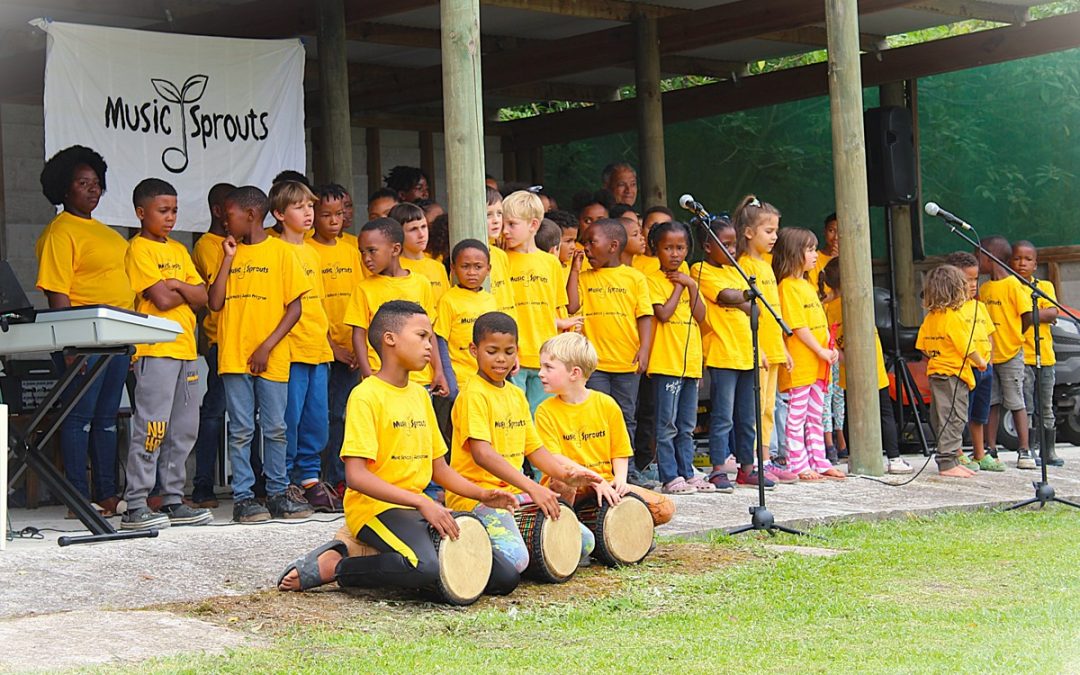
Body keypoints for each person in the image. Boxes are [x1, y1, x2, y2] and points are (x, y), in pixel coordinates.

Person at [276, 301, 522, 596]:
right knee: (424, 567)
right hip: (375, 509)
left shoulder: (420, 395)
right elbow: (356, 476)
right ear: (390, 339)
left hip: (419, 508)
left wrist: (482, 495)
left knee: (503, 577)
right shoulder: (366, 395)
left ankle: (364, 552)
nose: (430, 346)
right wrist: (421, 503)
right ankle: (339, 566)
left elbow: (439, 469)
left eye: (431, 338)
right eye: (422, 336)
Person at [448, 312, 603, 572]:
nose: (501, 359)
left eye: (509, 352)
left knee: (583, 544)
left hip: (515, 496)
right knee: (515, 561)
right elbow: (482, 454)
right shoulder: (472, 395)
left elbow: (534, 449)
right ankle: (466, 535)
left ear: (517, 352)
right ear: (474, 350)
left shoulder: (516, 396)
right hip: (478, 497)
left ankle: (520, 543)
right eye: (492, 351)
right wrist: (533, 488)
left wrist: (565, 474)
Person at [35, 145, 131, 516]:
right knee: (80, 419)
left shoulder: (104, 231)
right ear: (64, 188)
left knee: (106, 421)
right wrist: (70, 344)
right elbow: (57, 290)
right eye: (82, 183)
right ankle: (78, 498)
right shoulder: (60, 232)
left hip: (116, 341)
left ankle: (106, 495)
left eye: (96, 183)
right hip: (82, 342)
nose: (92, 190)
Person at [208, 186, 314, 522]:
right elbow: (214, 302)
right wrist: (227, 258)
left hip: (272, 356)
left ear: (251, 215)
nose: (226, 222)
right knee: (240, 429)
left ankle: (278, 493)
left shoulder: (282, 253)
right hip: (234, 356)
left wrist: (266, 346)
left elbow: (294, 309)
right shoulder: (227, 251)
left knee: (275, 428)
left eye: (231, 216)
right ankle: (243, 498)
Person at [119, 178, 211, 530]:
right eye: (163, 211)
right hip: (155, 351)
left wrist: (177, 286)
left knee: (184, 428)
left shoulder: (177, 250)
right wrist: (179, 289)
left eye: (174, 210)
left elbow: (202, 297)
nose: (170, 217)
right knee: (152, 427)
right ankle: (136, 503)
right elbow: (161, 299)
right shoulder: (139, 249)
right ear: (142, 213)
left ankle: (173, 498)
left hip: (185, 349)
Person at [536, 332, 674, 525]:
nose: (540, 373)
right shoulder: (545, 411)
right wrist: (594, 480)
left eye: (548, 367)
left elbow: (620, 451)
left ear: (574, 373)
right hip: (573, 484)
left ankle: (600, 528)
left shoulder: (606, 404)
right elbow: (555, 458)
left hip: (605, 482)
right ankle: (564, 531)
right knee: (563, 482)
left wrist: (620, 480)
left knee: (664, 508)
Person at [692, 217, 782, 492]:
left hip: (748, 354)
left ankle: (747, 468)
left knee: (748, 415)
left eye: (734, 245)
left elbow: (755, 310)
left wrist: (745, 299)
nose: (732, 251)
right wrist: (746, 296)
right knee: (723, 416)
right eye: (725, 245)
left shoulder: (738, 271)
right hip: (723, 354)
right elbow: (725, 296)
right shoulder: (701, 269)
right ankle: (718, 468)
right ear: (708, 246)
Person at [270, 180, 339, 511]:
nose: (308, 213)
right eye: (299, 207)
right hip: (291, 350)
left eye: (310, 206)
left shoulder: (311, 251)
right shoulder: (275, 250)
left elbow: (319, 305)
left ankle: (310, 479)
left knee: (316, 419)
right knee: (289, 419)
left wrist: (328, 343)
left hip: (317, 349)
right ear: (279, 214)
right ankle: (283, 482)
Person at [566, 218, 653, 456]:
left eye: (592, 243)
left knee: (626, 414)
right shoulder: (584, 277)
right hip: (594, 364)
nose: (586, 249)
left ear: (613, 246)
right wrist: (574, 270)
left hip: (627, 361)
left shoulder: (635, 278)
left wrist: (644, 349)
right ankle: (600, 466)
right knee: (596, 414)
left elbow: (645, 316)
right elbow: (572, 306)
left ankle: (627, 468)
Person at [820, 258, 912, 474]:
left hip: (848, 368)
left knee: (852, 413)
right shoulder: (858, 301)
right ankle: (894, 458)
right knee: (884, 412)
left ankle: (854, 456)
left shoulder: (827, 308)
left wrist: (844, 359)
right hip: (871, 365)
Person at [645, 220, 714, 495]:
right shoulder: (651, 279)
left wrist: (691, 287)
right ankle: (669, 476)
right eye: (668, 248)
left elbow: (700, 316)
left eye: (681, 248)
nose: (675, 254)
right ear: (656, 249)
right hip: (666, 363)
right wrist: (679, 287)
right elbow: (663, 313)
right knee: (667, 424)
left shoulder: (687, 277)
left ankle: (687, 472)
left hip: (690, 364)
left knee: (687, 424)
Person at [344, 218, 448, 395]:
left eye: (372, 251)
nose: (366, 258)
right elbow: (358, 335)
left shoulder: (421, 283)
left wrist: (438, 371)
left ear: (395, 249)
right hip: (380, 378)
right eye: (362, 252)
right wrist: (367, 373)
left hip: (419, 379)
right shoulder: (363, 288)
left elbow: (428, 332)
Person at [774, 227, 845, 481]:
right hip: (803, 362)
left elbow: (818, 322)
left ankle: (819, 459)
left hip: (819, 362)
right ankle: (797, 462)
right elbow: (797, 327)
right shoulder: (787, 287)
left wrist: (830, 349)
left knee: (816, 414)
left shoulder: (806, 284)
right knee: (797, 414)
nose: (816, 255)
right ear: (795, 253)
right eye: (810, 249)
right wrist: (821, 350)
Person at [309, 184, 364, 492]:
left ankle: (342, 478)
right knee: (323, 415)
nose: (333, 221)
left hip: (352, 347)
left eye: (339, 214)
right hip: (322, 347)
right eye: (325, 214)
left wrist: (356, 346)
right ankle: (322, 477)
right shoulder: (307, 249)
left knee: (344, 413)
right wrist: (333, 346)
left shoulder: (354, 248)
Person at [733, 195, 791, 478]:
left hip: (774, 348)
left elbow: (774, 311)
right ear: (748, 232)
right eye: (768, 231)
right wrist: (759, 348)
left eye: (776, 231)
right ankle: (754, 460)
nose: (774, 237)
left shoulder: (767, 264)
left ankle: (766, 458)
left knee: (769, 406)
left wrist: (782, 347)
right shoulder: (745, 265)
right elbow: (746, 313)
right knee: (756, 408)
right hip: (758, 350)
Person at [190, 182, 238, 508]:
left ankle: (255, 479)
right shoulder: (209, 246)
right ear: (220, 211)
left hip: (247, 339)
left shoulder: (242, 245)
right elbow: (219, 291)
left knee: (247, 417)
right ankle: (202, 483)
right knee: (215, 413)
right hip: (221, 339)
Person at [504, 190, 572, 414]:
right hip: (515, 354)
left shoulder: (550, 263)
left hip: (545, 354)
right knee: (515, 414)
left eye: (512, 224)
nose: (505, 230)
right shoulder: (501, 260)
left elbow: (556, 308)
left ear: (533, 225)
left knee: (540, 416)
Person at [916, 265, 988, 478]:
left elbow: (922, 345)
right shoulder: (954, 317)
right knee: (954, 417)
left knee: (942, 416)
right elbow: (967, 347)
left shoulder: (931, 317)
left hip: (936, 371)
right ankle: (947, 463)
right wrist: (981, 362)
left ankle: (953, 459)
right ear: (956, 290)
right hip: (954, 375)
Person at [978, 236, 1035, 469]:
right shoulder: (984, 288)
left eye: (979, 255)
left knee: (1015, 400)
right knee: (991, 403)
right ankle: (990, 449)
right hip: (990, 356)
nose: (977, 260)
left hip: (1011, 353)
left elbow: (1028, 316)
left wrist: (1014, 336)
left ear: (991, 258)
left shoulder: (1014, 285)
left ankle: (1024, 449)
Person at [945, 251, 1001, 472]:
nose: (972, 285)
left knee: (980, 413)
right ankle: (957, 452)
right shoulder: (951, 310)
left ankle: (979, 453)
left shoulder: (979, 306)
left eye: (975, 279)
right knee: (960, 414)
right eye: (966, 280)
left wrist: (991, 360)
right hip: (964, 369)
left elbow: (989, 335)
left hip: (984, 367)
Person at [1011, 240, 1063, 466]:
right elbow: (1042, 314)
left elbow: (1053, 313)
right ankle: (1028, 448)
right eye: (1017, 258)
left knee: (1046, 406)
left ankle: (1048, 450)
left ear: (1035, 264)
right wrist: (1039, 313)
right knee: (1027, 406)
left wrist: (1030, 316)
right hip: (1022, 356)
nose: (1022, 263)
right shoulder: (1010, 286)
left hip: (1046, 356)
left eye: (1028, 259)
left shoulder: (1046, 286)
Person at [435, 240, 497, 393]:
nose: (471, 272)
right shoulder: (448, 300)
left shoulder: (490, 300)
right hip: (460, 379)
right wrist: (449, 379)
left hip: (487, 378)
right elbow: (441, 341)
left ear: (488, 269)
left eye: (478, 267)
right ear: (453, 268)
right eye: (465, 266)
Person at [391, 202, 450, 304]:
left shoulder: (438, 267)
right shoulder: (394, 268)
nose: (421, 234)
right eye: (413, 229)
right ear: (398, 233)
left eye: (423, 227)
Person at [485, 186, 518, 319]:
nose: (496, 220)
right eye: (488, 214)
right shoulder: (466, 256)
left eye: (499, 213)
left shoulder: (500, 255)